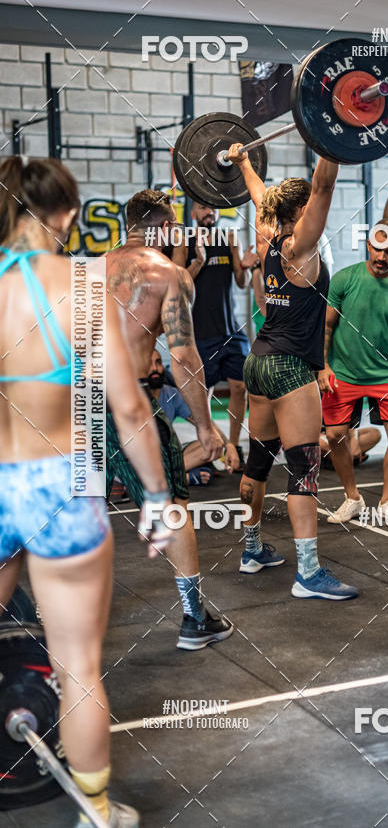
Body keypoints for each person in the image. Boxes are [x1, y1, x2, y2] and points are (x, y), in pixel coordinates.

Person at [0, 156, 173, 828]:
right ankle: (97, 812)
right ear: (67, 213)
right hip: (60, 484)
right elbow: (129, 410)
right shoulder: (79, 286)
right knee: (76, 665)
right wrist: (157, 500)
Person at [227, 142, 358, 600]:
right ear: (301, 211)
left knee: (258, 462)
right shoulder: (302, 248)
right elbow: (323, 185)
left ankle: (252, 550)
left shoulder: (268, 238)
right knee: (304, 468)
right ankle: (308, 574)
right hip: (288, 367)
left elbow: (259, 196)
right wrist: (332, 137)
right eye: (310, 207)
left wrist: (244, 163)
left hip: (258, 362)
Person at [105, 189, 234, 650]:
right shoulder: (169, 275)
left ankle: (57, 617)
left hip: (82, 404)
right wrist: (204, 425)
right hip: (132, 403)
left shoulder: (87, 271)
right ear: (164, 227)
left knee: (77, 508)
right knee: (173, 505)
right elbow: (183, 356)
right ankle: (195, 619)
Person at [319, 224, 388, 525]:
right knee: (335, 435)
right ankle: (352, 498)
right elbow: (326, 325)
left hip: (385, 373)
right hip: (343, 371)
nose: (382, 257)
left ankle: (387, 502)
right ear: (369, 245)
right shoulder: (344, 279)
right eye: (378, 249)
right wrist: (323, 366)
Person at [181, 203, 259, 466]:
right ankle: (214, 447)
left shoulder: (229, 239)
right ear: (193, 213)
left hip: (230, 330)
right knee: (201, 398)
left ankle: (234, 446)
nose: (209, 212)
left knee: (240, 387)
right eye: (203, 208)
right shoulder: (185, 243)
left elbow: (242, 283)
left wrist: (245, 267)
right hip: (201, 333)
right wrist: (199, 261)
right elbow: (179, 282)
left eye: (212, 208)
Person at [147, 348, 240, 483]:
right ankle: (177, 478)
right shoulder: (132, 396)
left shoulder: (171, 394)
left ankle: (166, 478)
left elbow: (203, 422)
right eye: (149, 364)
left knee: (214, 444)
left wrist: (229, 445)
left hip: (165, 457)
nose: (155, 368)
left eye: (158, 362)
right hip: (138, 459)